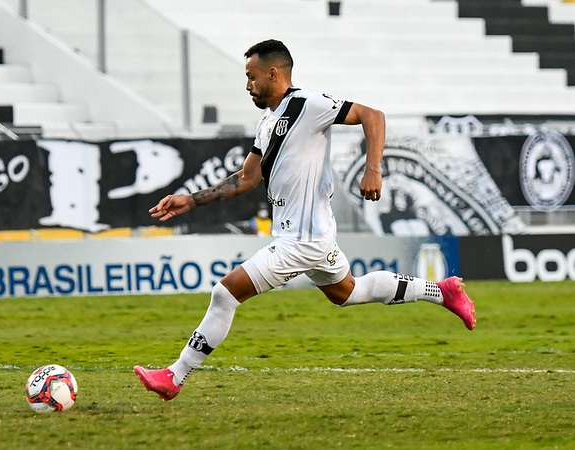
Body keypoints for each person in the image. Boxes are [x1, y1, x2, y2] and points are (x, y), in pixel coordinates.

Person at [133, 39, 476, 401]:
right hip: (307, 235)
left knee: (225, 293)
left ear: (273, 73)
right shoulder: (268, 121)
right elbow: (247, 178)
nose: (247, 85)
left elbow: (372, 115)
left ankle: (175, 375)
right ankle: (442, 291)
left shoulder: (308, 105)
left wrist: (373, 170)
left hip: (303, 239)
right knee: (350, 292)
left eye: (251, 77)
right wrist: (191, 199)